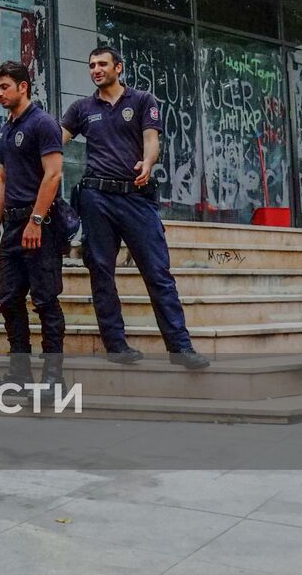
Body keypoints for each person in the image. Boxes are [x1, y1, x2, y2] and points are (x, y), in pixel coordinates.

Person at [61, 46, 209, 370]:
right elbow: (56, 140)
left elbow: (152, 140)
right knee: (101, 272)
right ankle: (116, 346)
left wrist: (148, 162)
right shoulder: (82, 108)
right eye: (91, 66)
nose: (96, 70)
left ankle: (180, 348)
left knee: (158, 272)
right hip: (96, 198)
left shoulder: (142, 100)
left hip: (136, 197)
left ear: (119, 67)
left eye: (102, 64)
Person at [0, 61, 66, 395]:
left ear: (23, 86)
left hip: (40, 224)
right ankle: (19, 374)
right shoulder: (6, 127)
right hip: (12, 226)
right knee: (8, 299)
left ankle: (53, 377)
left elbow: (54, 174)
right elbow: (3, 178)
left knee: (45, 299)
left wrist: (35, 220)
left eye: (5, 87)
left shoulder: (43, 123)